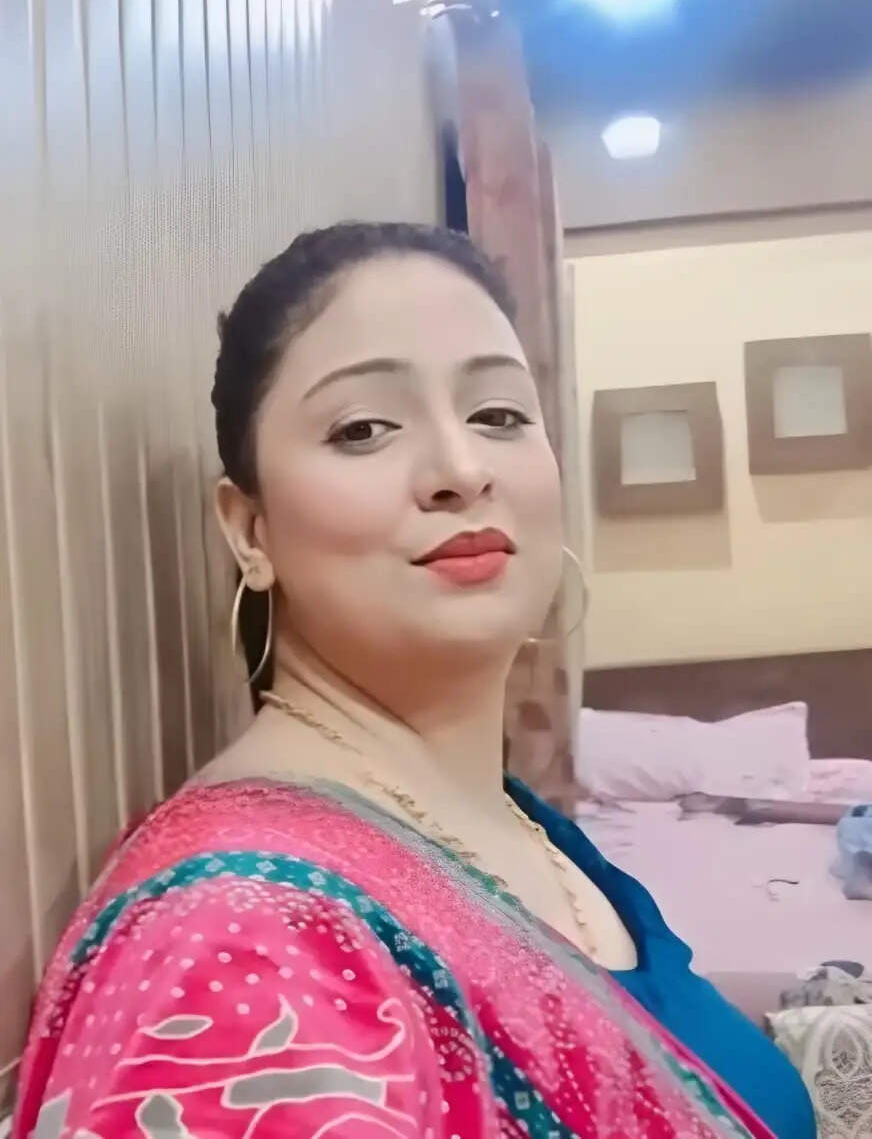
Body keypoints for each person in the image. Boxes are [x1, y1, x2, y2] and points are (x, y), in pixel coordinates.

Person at [13, 223, 814, 1139]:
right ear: (250, 530)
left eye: (499, 416)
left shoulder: (513, 825)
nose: (462, 472)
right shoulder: (239, 939)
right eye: (363, 429)